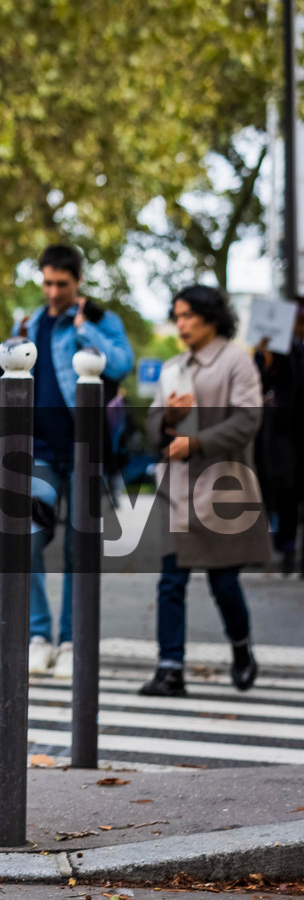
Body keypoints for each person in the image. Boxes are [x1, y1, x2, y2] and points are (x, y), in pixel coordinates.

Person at [139, 286, 271, 696]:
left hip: (222, 490)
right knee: (171, 580)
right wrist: (167, 420)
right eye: (176, 315)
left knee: (223, 582)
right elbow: (151, 428)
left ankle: (242, 649)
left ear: (211, 317)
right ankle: (170, 668)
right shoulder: (173, 367)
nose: (180, 324)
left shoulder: (236, 361)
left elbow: (248, 421)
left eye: (187, 315)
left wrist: (197, 442)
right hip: (177, 489)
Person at [13, 245, 133, 680]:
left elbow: (121, 363)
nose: (53, 291)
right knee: (25, 541)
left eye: (61, 284)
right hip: (38, 451)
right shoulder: (30, 322)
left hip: (84, 451)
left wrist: (86, 329)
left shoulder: (102, 321)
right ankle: (37, 636)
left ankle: (70, 641)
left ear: (77, 282)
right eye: (47, 282)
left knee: (76, 551)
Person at [254, 309, 303, 574]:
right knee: (284, 494)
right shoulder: (272, 354)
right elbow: (259, 385)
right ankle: (285, 547)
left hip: (290, 436)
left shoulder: (295, 353)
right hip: (280, 439)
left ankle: (288, 547)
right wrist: (267, 359)